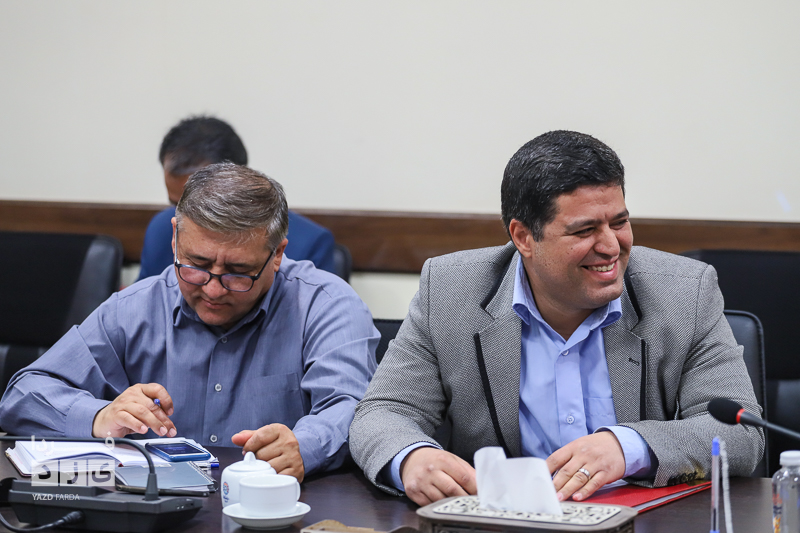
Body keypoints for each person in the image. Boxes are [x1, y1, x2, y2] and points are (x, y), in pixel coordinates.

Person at [349, 130, 764, 505]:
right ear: (523, 237)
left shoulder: (685, 293)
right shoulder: (450, 292)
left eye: (619, 222)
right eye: (584, 231)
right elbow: (383, 412)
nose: (611, 246)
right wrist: (411, 458)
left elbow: (742, 434)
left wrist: (627, 447)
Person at [0, 163, 378, 481]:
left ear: (277, 254)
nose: (213, 290)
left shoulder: (325, 305)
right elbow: (24, 394)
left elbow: (355, 409)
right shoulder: (136, 308)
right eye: (196, 265)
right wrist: (99, 416)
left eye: (238, 272)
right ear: (175, 238)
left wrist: (303, 446)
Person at [137, 116, 336, 280]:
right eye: (177, 204)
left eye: (204, 206)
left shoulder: (309, 243)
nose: (186, 216)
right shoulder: (162, 229)